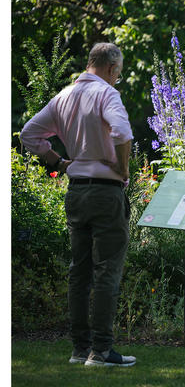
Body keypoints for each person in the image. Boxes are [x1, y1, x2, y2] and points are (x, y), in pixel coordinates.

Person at [20, 43, 136, 367]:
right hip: (105, 192)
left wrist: (58, 161)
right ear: (112, 69)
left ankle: (78, 350)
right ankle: (101, 352)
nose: (118, 78)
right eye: (119, 73)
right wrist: (123, 170)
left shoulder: (64, 96)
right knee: (107, 271)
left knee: (79, 272)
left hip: (76, 192)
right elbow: (123, 133)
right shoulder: (107, 94)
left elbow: (29, 135)